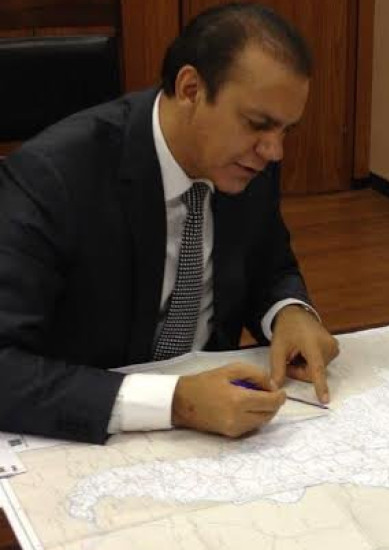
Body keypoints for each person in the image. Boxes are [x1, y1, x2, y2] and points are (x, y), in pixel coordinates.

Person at [0, 4, 339, 444]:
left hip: (222, 429)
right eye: (258, 124)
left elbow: (269, 265)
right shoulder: (54, 177)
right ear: (191, 89)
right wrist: (176, 402)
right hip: (92, 425)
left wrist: (289, 312)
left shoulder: (246, 160)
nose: (274, 151)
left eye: (286, 130)